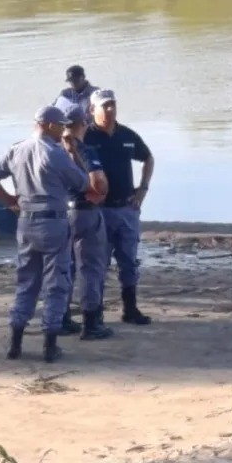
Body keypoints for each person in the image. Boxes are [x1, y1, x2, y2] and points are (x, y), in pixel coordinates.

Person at [0, 105, 95, 363]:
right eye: (61, 126)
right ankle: (49, 345)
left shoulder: (16, 149)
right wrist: (74, 153)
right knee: (56, 284)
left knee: (26, 282)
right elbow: (82, 183)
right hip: (53, 222)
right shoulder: (55, 153)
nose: (63, 130)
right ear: (49, 125)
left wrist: (9, 201)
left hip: (26, 221)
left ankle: (16, 343)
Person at [84, 89, 155, 325]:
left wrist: (143, 189)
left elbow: (148, 158)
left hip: (126, 209)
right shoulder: (86, 137)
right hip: (98, 211)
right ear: (92, 109)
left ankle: (130, 309)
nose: (110, 110)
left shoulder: (126, 134)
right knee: (98, 264)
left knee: (129, 261)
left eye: (112, 105)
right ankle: (95, 313)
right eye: (104, 106)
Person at [60, 105, 113, 340]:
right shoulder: (84, 149)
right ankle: (91, 323)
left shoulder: (52, 150)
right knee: (90, 267)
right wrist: (101, 191)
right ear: (84, 123)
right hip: (84, 211)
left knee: (64, 267)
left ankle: (60, 317)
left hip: (60, 213)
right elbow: (99, 184)